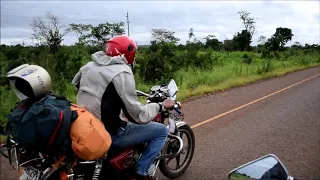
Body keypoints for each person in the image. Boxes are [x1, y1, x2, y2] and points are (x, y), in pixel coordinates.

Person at [71, 35, 173, 180]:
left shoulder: (88, 66)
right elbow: (137, 115)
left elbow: (76, 84)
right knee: (161, 131)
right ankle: (141, 173)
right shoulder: (122, 71)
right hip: (107, 132)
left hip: (84, 125)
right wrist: (158, 106)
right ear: (129, 52)